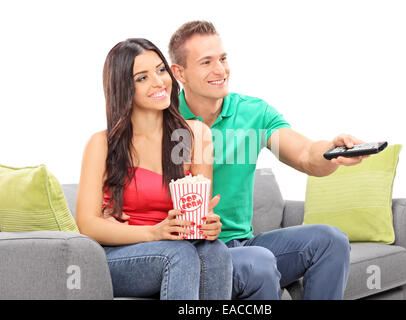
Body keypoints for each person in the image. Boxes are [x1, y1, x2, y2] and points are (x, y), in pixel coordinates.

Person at [167, 21, 370, 300]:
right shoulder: (163, 121)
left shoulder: (253, 114)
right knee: (257, 262)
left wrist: (331, 152)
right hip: (195, 251)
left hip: (245, 244)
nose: (220, 70)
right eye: (206, 62)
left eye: (223, 59)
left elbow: (304, 154)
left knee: (330, 241)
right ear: (179, 72)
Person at [75, 38, 232, 300]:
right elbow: (87, 224)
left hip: (176, 246)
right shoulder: (101, 144)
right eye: (142, 78)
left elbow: (200, 214)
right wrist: (154, 232)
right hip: (120, 253)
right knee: (179, 254)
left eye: (161, 70)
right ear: (123, 87)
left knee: (215, 251)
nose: (159, 82)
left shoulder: (195, 135)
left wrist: (209, 224)